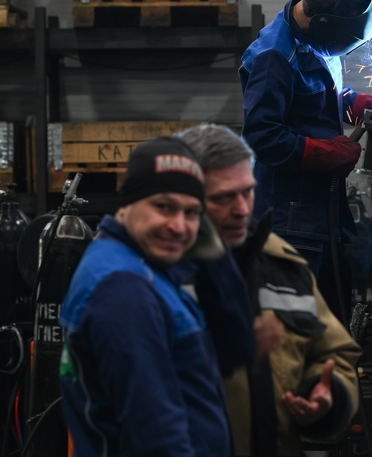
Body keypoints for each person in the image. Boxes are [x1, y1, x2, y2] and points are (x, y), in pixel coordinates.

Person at [58, 136, 255, 457]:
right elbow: (155, 434)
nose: (178, 225)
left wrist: (214, 256)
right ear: (128, 203)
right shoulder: (125, 290)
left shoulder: (144, 267)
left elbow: (234, 351)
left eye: (192, 213)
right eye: (164, 206)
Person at [178, 123, 363, 457]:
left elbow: (335, 352)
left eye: (247, 192)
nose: (242, 209)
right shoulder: (155, 274)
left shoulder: (281, 265)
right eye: (223, 197)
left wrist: (325, 392)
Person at [238, 0, 372, 321]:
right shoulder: (274, 58)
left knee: (333, 317)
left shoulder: (314, 38)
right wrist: (326, 154)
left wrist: (355, 104)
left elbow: (315, 95)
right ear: (325, 25)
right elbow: (263, 136)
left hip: (320, 213)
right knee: (299, 326)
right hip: (289, 220)